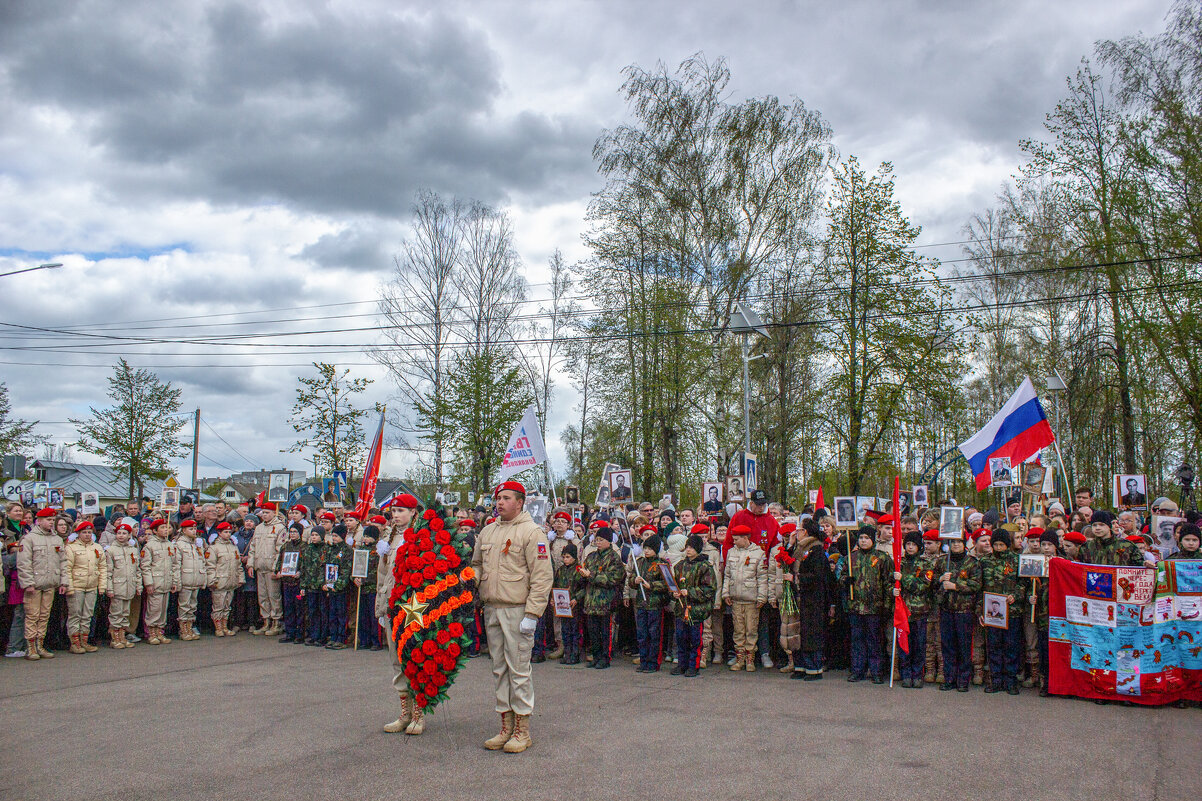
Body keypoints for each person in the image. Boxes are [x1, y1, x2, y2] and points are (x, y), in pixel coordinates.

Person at [471, 480, 553, 754]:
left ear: (520, 502)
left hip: (517, 610)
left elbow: (542, 577)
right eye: (498, 498)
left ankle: (522, 731)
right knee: (499, 668)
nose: (500, 502)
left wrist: (532, 614)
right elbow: (477, 565)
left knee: (518, 670)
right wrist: (470, 577)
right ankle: (505, 726)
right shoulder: (488, 531)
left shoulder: (532, 532)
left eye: (506, 498)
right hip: (492, 608)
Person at [377, 493, 419, 732]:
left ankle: (419, 715)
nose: (396, 516)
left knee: (414, 659)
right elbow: (382, 576)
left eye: (401, 511)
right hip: (391, 605)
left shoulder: (420, 536)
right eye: (393, 512)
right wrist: (380, 608)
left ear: (413, 513)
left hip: (412, 606)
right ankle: (405, 713)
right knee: (397, 660)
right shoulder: (388, 537)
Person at [843, 525, 893, 683]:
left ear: (873, 539)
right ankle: (858, 670)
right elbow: (841, 575)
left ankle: (876, 671)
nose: (864, 541)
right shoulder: (851, 558)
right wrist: (846, 580)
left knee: (874, 640)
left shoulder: (882, 558)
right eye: (861, 538)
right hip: (856, 606)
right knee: (857, 640)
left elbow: (888, 582)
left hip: (874, 607)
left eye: (867, 538)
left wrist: (886, 605)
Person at [978, 530, 1024, 695]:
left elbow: (1023, 583)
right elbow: (980, 586)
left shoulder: (1016, 561)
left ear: (1007, 545)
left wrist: (1016, 595)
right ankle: (995, 680)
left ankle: (1011, 681)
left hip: (1012, 612)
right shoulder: (984, 561)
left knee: (1011, 646)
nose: (998, 548)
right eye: (996, 545)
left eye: (1001, 545)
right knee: (994, 646)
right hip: (992, 613)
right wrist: (980, 611)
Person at [16, 508, 63, 660]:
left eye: (52, 520)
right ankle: (31, 647)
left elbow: (63, 562)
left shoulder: (57, 539)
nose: (51, 523)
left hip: (50, 583)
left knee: (44, 616)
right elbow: (23, 563)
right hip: (35, 584)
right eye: (48, 520)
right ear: (39, 521)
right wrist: (28, 583)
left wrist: (64, 582)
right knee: (32, 615)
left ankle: (40, 645)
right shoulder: (29, 539)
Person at [789, 518, 832, 681]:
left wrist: (796, 578)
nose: (796, 533)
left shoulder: (816, 550)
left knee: (811, 633)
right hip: (800, 596)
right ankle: (800, 665)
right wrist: (790, 544)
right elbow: (789, 561)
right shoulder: (800, 548)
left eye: (798, 530)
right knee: (799, 632)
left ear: (805, 532)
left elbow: (818, 576)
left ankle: (814, 667)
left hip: (813, 599)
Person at [670, 534, 717, 677]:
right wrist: (675, 593)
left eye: (691, 547)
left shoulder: (705, 567)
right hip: (681, 608)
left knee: (695, 639)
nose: (688, 550)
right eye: (687, 547)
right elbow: (674, 584)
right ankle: (682, 664)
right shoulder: (679, 565)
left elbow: (709, 589)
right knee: (681, 637)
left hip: (696, 610)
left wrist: (689, 592)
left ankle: (693, 665)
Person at [938, 536, 980, 691]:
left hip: (964, 610)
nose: (955, 545)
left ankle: (963, 679)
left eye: (959, 542)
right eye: (953, 542)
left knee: (963, 646)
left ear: (964, 544)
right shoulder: (942, 561)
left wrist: (955, 586)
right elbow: (933, 581)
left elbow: (976, 584)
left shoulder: (972, 562)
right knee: (948, 646)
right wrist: (941, 579)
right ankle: (949, 677)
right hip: (946, 609)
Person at [723, 523, 767, 672]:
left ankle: (750, 659)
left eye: (736, 539)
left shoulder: (758, 553)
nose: (734, 542)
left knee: (751, 630)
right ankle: (739, 658)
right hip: (736, 598)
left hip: (751, 599)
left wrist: (762, 597)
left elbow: (762, 577)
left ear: (745, 538)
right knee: (738, 630)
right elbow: (727, 575)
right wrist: (725, 593)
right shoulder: (731, 552)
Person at [895, 530, 936, 687]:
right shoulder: (900, 563)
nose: (910, 547)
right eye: (908, 544)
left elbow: (922, 586)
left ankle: (917, 674)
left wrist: (903, 579)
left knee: (919, 645)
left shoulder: (926, 565)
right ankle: (905, 674)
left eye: (914, 544)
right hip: (902, 611)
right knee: (904, 645)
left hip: (919, 611)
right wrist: (894, 589)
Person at [580, 524, 624, 670]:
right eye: (596, 539)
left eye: (601, 539)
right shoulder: (591, 556)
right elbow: (585, 569)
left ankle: (605, 657)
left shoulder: (614, 558)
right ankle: (596, 655)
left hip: (606, 601)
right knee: (593, 632)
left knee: (605, 632)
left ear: (608, 541)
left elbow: (613, 579)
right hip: (591, 600)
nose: (598, 542)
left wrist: (591, 575)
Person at [61, 520, 106, 654]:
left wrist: (102, 586)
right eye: (84, 532)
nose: (87, 535)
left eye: (89, 532)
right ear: (78, 533)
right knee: (75, 614)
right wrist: (69, 587)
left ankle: (84, 641)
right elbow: (67, 568)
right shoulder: (71, 548)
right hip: (77, 586)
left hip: (92, 586)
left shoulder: (97, 548)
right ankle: (74, 642)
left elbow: (103, 567)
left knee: (87, 615)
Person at [628, 533, 668, 673]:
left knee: (654, 634)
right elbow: (631, 579)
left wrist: (651, 585)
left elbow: (667, 583)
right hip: (641, 603)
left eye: (650, 549)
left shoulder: (662, 563)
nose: (646, 551)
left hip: (655, 604)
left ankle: (653, 662)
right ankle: (644, 660)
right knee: (642, 634)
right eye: (645, 548)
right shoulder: (639, 562)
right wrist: (635, 581)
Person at [248, 501, 286, 636]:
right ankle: (266, 621)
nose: (264, 515)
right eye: (263, 513)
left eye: (267, 513)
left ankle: (276, 621)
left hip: (271, 567)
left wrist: (276, 568)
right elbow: (252, 548)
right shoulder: (258, 528)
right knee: (262, 595)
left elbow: (280, 550)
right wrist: (251, 564)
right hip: (260, 566)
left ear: (274, 513)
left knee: (273, 595)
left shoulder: (280, 528)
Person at [139, 518, 177, 645]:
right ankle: (151, 633)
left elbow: (174, 564)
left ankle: (160, 631)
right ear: (155, 531)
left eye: (167, 527)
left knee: (162, 609)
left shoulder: (170, 545)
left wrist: (174, 582)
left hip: (167, 581)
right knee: (154, 609)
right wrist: (148, 583)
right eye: (162, 528)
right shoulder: (149, 546)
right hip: (156, 581)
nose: (166, 530)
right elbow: (145, 566)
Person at [105, 522, 140, 649]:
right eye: (119, 533)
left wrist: (138, 586)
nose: (121, 535)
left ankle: (122, 636)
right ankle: (115, 638)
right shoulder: (111, 550)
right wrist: (109, 588)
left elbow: (137, 570)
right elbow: (108, 571)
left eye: (124, 533)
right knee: (116, 614)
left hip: (129, 586)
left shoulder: (133, 550)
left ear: (129, 535)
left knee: (125, 613)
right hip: (117, 587)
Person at [206, 522, 245, 636]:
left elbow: (238, 565)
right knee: (218, 606)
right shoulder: (213, 548)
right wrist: (212, 580)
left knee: (227, 606)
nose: (228, 534)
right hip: (219, 581)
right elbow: (210, 566)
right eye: (225, 532)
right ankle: (218, 627)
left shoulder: (233, 547)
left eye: (229, 532)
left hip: (231, 581)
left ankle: (225, 626)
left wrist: (240, 578)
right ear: (219, 533)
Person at [173, 520, 206, 641]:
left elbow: (202, 563)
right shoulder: (179, 545)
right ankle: (183, 629)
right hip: (185, 580)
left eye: (195, 529)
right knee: (184, 606)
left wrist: (203, 579)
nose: (194, 531)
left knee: (193, 605)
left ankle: (190, 626)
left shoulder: (196, 544)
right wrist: (177, 581)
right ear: (183, 530)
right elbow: (176, 565)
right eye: (191, 529)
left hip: (196, 579)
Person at [320, 525, 351, 650]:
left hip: (340, 588)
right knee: (332, 613)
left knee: (341, 613)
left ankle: (341, 638)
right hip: (330, 585)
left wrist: (338, 585)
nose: (334, 538)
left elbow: (346, 570)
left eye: (336, 536)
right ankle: (333, 636)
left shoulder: (347, 550)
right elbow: (325, 565)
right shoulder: (330, 549)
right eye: (333, 536)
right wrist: (325, 583)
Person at [555, 542, 586, 665]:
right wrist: (554, 598)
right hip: (563, 605)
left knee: (575, 630)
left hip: (574, 605)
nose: (565, 559)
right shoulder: (561, 570)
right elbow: (556, 585)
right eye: (564, 557)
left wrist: (577, 598)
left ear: (574, 557)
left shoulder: (579, 570)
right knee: (565, 630)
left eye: (568, 557)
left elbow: (584, 587)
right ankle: (567, 653)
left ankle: (575, 654)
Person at [274, 522, 305, 643]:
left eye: (295, 532)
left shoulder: (304, 547)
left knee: (299, 608)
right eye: (291, 532)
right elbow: (280, 560)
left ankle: (300, 633)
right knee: (288, 607)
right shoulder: (285, 546)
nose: (292, 534)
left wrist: (300, 572)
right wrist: (278, 570)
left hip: (297, 583)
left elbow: (306, 564)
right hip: (287, 582)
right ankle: (289, 632)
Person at [1077, 511, 1142, 566]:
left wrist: (1147, 564)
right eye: (1094, 525)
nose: (1097, 528)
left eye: (1101, 525)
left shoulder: (1127, 546)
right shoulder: (1086, 547)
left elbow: (1139, 567)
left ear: (1109, 526)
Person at [354, 524, 382, 650]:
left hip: (372, 588)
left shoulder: (378, 552)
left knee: (373, 616)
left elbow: (378, 571)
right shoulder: (360, 550)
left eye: (368, 537)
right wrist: (355, 578)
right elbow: (355, 568)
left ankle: (376, 641)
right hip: (362, 589)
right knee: (363, 616)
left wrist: (365, 580)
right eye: (364, 536)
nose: (365, 539)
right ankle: (364, 640)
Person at [299, 526, 326, 645]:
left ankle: (323, 636)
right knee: (312, 611)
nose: (314, 537)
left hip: (321, 586)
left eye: (316, 535)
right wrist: (303, 585)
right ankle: (314, 635)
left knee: (322, 612)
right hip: (310, 586)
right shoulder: (308, 549)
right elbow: (304, 568)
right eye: (313, 535)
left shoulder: (326, 549)